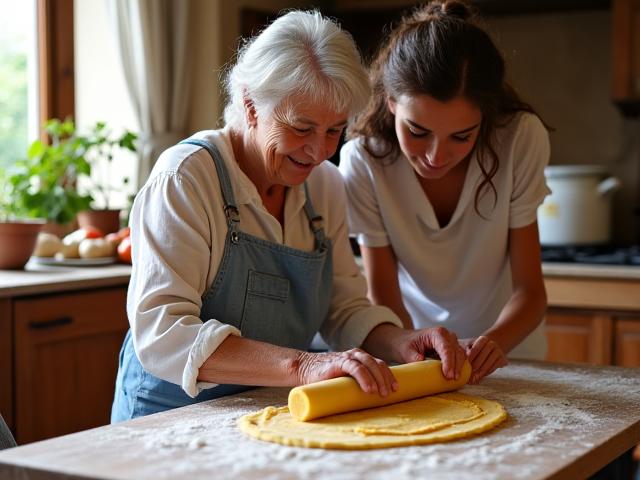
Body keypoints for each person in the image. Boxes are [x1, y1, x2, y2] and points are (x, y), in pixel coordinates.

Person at [111, 10, 466, 422]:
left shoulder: (325, 187)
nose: (319, 152)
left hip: (267, 411)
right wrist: (303, 366)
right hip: (167, 418)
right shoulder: (186, 179)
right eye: (301, 127)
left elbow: (344, 308)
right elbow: (163, 336)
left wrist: (402, 342)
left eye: (334, 131)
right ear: (250, 105)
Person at [339, 0, 550, 385]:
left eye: (462, 136)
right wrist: (418, 355)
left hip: (511, 355)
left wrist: (489, 345)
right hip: (419, 357)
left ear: (484, 118)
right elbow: (384, 295)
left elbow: (531, 292)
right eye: (417, 132)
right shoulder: (364, 160)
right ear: (390, 102)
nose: (437, 156)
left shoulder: (520, 138)